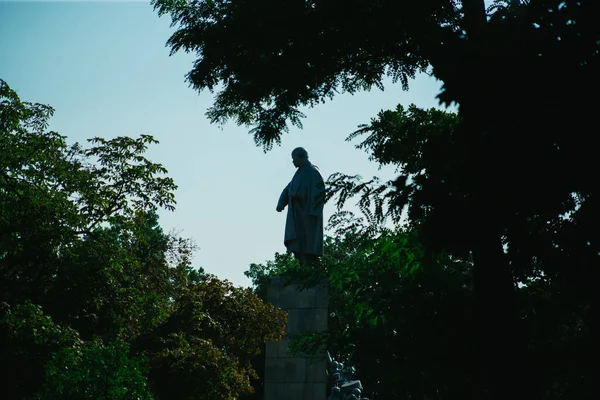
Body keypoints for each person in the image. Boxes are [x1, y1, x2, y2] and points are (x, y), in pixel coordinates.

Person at [276, 147, 325, 267]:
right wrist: (281, 202)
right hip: (297, 214)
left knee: (308, 243)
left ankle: (310, 268)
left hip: (308, 215)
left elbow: (320, 192)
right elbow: (288, 189)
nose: (293, 162)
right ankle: (302, 267)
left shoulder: (313, 172)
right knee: (299, 242)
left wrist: (313, 210)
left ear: (300, 157)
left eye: (294, 159)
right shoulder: (298, 174)